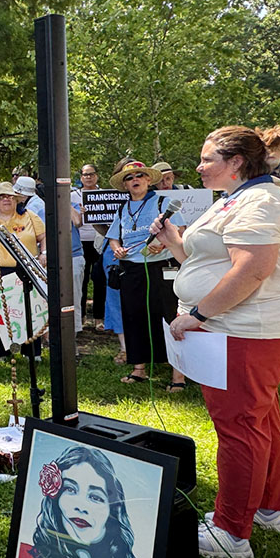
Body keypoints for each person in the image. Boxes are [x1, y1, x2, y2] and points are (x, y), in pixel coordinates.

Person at [151, 125, 280, 558]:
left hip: (248, 328)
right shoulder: (237, 199)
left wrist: (198, 314)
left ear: (236, 162)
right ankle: (268, 508)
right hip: (246, 326)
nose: (200, 166)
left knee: (239, 425)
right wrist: (175, 243)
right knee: (260, 417)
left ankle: (230, 532)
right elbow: (212, 260)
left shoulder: (260, 200)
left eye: (207, 159)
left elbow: (252, 270)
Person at [13, 446, 147, 558]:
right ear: (56, 498)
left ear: (111, 513)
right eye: (70, 489)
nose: (81, 506)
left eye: (95, 497)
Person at [107, 161, 187, 391]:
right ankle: (139, 369)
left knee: (170, 316)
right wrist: (116, 248)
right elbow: (114, 236)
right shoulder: (122, 208)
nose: (135, 180)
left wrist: (163, 245)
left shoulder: (163, 202)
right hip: (131, 268)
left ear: (149, 180)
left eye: (140, 175)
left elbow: (180, 231)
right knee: (134, 317)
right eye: (130, 177)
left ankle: (178, 376)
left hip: (161, 266)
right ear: (125, 184)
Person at [0, 182, 46, 362]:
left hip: (26, 269)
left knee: (30, 310)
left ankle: (32, 351)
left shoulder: (30, 217)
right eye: (2, 197)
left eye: (10, 196)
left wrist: (44, 253)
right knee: (0, 311)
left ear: (16, 200)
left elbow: (44, 237)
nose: (6, 199)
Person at [72, 164, 106, 330]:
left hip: (100, 241)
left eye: (91, 174)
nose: (88, 177)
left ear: (97, 176)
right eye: (85, 175)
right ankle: (82, 316)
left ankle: (99, 318)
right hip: (80, 242)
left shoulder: (104, 195)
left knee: (100, 279)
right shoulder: (72, 196)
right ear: (81, 177)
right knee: (81, 280)